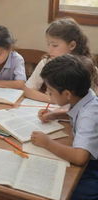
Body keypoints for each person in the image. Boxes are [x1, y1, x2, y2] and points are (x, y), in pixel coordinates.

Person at [30, 54, 98, 200]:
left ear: (67, 94)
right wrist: (55, 115)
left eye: (50, 91)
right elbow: (78, 112)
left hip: (92, 170)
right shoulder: (86, 95)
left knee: (59, 191)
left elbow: (80, 158)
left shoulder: (89, 115)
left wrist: (47, 143)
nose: (48, 94)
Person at [24, 17, 93, 102]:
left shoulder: (84, 67)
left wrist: (59, 100)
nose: (49, 50)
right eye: (48, 44)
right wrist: (55, 100)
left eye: (55, 45)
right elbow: (27, 90)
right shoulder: (46, 62)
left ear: (72, 45)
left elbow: (88, 101)